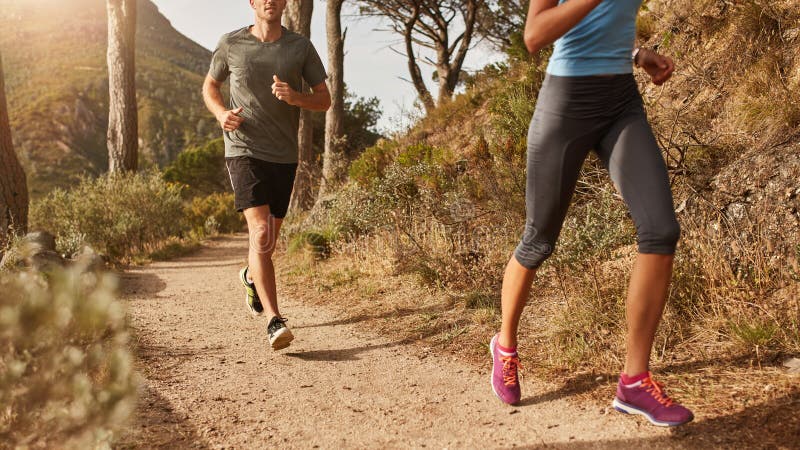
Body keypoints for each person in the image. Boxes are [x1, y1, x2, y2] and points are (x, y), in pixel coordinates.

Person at [489, 0, 694, 427]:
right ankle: (505, 344)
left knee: (660, 230)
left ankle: (634, 383)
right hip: (566, 102)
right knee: (539, 238)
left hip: (621, 100)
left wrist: (636, 54)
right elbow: (535, 35)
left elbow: (612, 22)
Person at [202, 0, 331, 351]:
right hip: (243, 149)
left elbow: (324, 100)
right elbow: (210, 87)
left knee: (268, 242)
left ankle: (249, 275)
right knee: (259, 234)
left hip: (284, 155)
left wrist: (295, 97)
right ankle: (275, 320)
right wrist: (220, 114)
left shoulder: (300, 47)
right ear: (253, 3)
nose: (270, 1)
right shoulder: (231, 43)